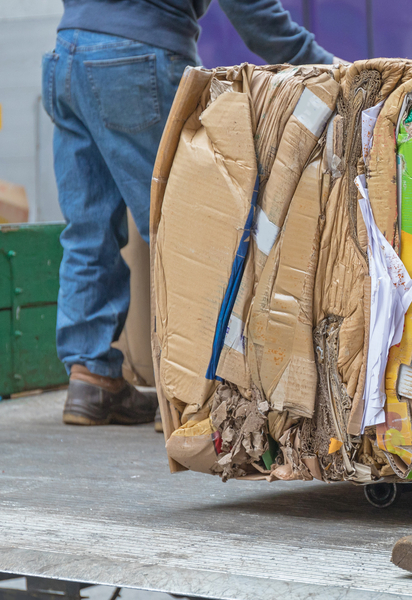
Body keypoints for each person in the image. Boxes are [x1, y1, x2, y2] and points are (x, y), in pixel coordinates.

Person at [44, 0, 336, 428]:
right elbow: (252, 12)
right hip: (137, 57)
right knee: (184, 224)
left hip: (66, 56)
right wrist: (326, 67)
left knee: (88, 226)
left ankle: (91, 377)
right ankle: (189, 395)